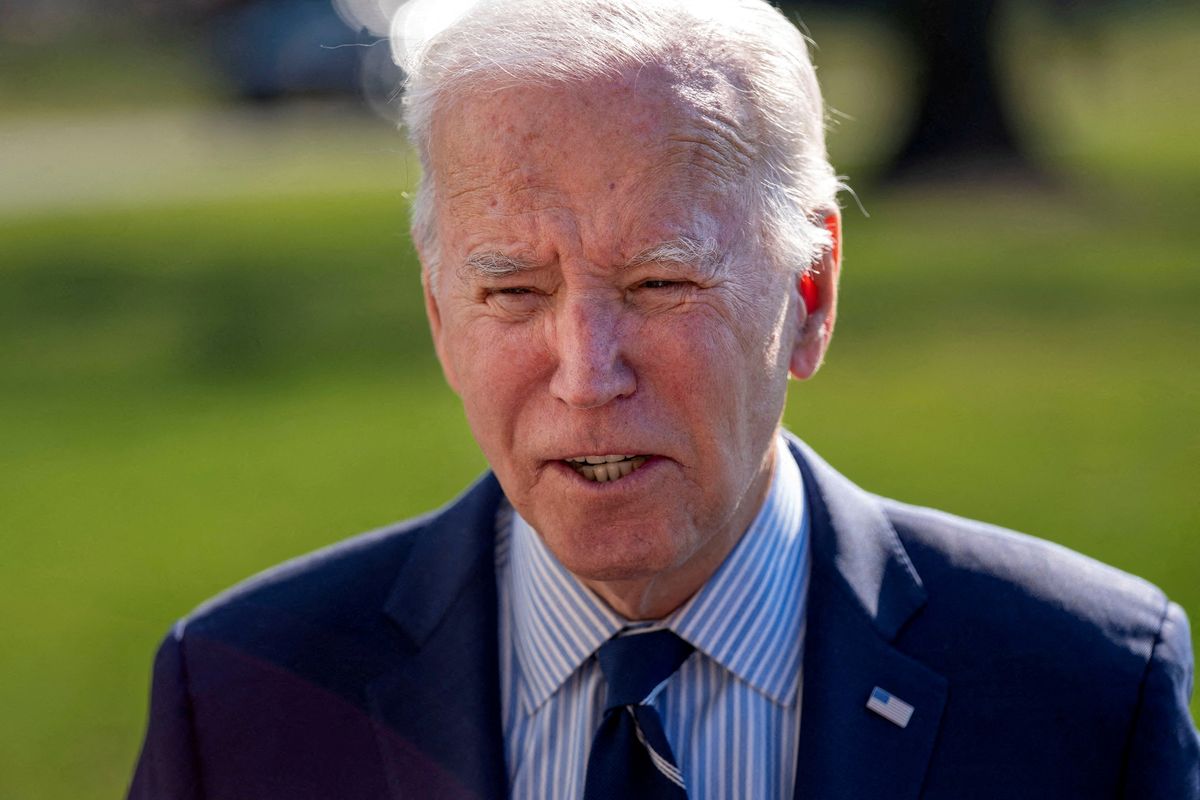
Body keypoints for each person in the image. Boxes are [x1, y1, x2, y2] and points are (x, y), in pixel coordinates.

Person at [127, 0, 1200, 797]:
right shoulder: (238, 699)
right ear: (439, 314)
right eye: (512, 291)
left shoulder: (1087, 686)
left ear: (811, 294)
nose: (589, 371)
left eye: (660, 284)